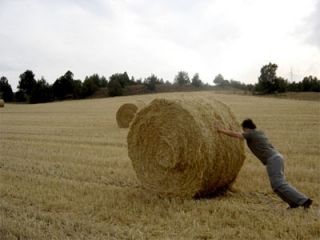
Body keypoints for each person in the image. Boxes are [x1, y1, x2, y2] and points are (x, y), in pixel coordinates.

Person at [215, 118, 312, 210]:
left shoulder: (251, 133)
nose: (243, 131)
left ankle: (304, 201)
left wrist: (221, 130)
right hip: (277, 158)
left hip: (273, 160)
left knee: (280, 184)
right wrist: (230, 130)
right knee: (276, 186)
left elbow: (239, 135)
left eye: (243, 129)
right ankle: (293, 203)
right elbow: (239, 136)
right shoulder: (259, 132)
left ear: (246, 128)